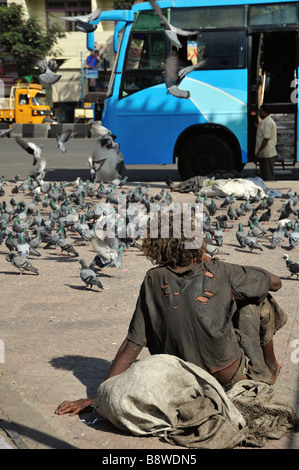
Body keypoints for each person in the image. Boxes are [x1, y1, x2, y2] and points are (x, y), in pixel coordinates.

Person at [55, 213, 285, 417]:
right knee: (257, 298)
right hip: (226, 373)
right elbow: (275, 283)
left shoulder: (153, 278)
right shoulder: (222, 271)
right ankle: (267, 370)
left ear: (157, 246)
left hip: (179, 377)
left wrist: (98, 397)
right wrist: (227, 267)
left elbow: (132, 344)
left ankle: (256, 372)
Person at [255, 104, 277, 181]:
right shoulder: (265, 122)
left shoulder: (268, 123)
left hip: (267, 154)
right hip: (264, 154)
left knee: (268, 177)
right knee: (264, 176)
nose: (259, 114)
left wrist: (259, 152)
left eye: (260, 112)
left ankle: (271, 191)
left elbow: (266, 139)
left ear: (265, 112)